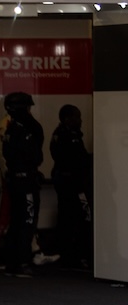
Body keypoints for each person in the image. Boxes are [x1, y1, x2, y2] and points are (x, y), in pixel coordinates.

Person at [0, 91, 44, 278]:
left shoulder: (11, 128)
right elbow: (35, 156)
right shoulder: (26, 128)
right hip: (26, 180)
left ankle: (12, 262)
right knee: (27, 220)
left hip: (14, 179)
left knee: (17, 220)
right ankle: (23, 262)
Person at [50, 104, 93, 271]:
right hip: (72, 183)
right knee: (81, 217)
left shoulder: (61, 134)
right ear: (68, 118)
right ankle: (77, 256)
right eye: (77, 117)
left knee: (67, 218)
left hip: (65, 181)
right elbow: (77, 160)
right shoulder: (67, 136)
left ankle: (69, 256)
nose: (80, 120)